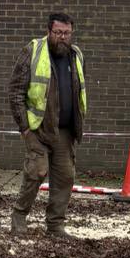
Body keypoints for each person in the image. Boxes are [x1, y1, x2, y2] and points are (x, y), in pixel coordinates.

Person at [8, 12, 87, 239]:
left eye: (67, 33)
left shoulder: (76, 55)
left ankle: (55, 226)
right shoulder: (31, 52)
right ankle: (19, 218)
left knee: (65, 177)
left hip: (65, 131)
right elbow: (15, 92)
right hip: (38, 130)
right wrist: (24, 128)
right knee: (36, 172)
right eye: (58, 33)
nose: (63, 37)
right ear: (48, 31)